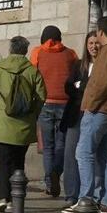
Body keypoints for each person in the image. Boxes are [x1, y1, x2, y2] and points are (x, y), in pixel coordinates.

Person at [72, 16, 107, 213]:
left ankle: (85, 198)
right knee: (105, 155)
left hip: (100, 109)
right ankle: (106, 200)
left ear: (101, 32)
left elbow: (102, 83)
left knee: (83, 152)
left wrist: (91, 105)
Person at [0, 37, 44, 213]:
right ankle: (16, 198)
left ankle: (3, 198)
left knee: (3, 161)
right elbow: (41, 95)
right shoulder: (32, 70)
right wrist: (32, 114)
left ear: (10, 49)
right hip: (24, 124)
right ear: (25, 51)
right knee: (18, 162)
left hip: (2, 122)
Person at [31, 26, 78, 199]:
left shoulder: (37, 52)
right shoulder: (71, 54)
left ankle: (50, 183)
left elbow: (33, 75)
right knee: (61, 144)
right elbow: (77, 74)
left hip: (45, 103)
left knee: (47, 146)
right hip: (65, 103)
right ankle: (56, 172)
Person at [60, 33, 97, 206]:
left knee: (90, 154)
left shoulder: (103, 66)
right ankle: (71, 194)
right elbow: (68, 86)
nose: (93, 46)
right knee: (70, 154)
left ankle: (89, 194)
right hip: (75, 114)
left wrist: (80, 87)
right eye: (90, 43)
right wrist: (81, 89)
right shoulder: (79, 65)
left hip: (93, 113)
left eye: (96, 43)